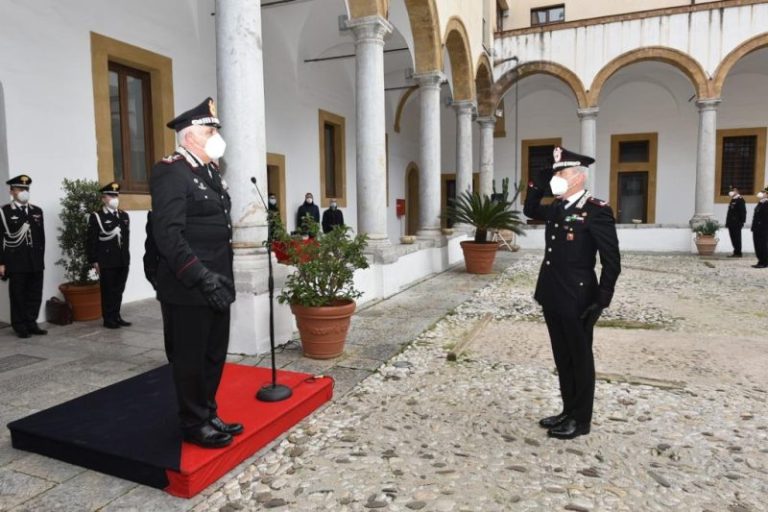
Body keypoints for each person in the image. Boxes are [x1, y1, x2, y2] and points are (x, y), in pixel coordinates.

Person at [150, 97, 241, 448]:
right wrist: (201, 276)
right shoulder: (172, 171)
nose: (216, 135)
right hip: (189, 285)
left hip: (218, 282)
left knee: (214, 354)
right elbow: (168, 234)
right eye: (209, 130)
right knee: (190, 358)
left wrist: (220, 278)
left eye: (215, 129)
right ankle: (192, 422)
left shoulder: (210, 172)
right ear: (190, 137)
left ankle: (208, 412)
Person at [523, 146, 621, 440]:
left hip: (578, 298)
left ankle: (582, 420)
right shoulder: (557, 207)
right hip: (552, 294)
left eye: (560, 173)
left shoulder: (596, 211)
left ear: (577, 177)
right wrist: (538, 181)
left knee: (580, 359)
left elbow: (612, 261)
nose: (556, 178)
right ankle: (568, 411)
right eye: (555, 174)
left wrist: (601, 301)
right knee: (563, 357)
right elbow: (529, 209)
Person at [0, 175, 47, 338]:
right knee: (18, 294)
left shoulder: (37, 211)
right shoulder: (4, 211)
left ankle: (31, 322)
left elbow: (41, 238)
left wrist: (40, 259)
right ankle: (20, 326)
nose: (23, 192)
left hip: (35, 261)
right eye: (20, 188)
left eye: (26, 189)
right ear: (11, 191)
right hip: (16, 261)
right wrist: (1, 263)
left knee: (35, 293)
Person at [87, 182, 131, 329]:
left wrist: (126, 257)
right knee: (108, 291)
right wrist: (94, 260)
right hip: (106, 261)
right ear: (103, 199)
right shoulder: (97, 217)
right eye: (110, 195)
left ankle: (117, 316)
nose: (114, 198)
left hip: (122, 259)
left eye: (116, 195)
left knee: (119, 290)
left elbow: (125, 240)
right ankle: (108, 318)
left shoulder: (124, 216)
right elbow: (92, 240)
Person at [142, 211, 172, 362]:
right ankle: (173, 362)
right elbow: (150, 250)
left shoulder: (195, 210)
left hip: (195, 277)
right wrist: (154, 279)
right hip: (168, 279)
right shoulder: (155, 215)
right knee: (171, 325)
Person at [725, 186, 746, 258]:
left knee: (737, 238)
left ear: (737, 191)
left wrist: (742, 222)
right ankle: (735, 251)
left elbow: (743, 212)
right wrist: (727, 222)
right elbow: (730, 212)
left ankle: (738, 252)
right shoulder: (733, 200)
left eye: (733, 190)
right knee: (733, 237)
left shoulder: (740, 200)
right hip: (731, 223)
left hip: (737, 223)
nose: (731, 191)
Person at [751, 186, 768, 268]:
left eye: (763, 192)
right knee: (757, 245)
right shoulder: (761, 202)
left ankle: (764, 262)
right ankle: (760, 260)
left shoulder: (766, 203)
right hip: (756, 228)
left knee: (763, 245)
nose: (761, 193)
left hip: (763, 229)